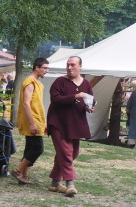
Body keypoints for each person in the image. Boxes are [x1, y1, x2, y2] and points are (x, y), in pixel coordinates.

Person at [46, 56, 95, 197]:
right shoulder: (59, 82)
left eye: (73, 65)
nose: (69, 67)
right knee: (66, 152)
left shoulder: (86, 84)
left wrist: (89, 108)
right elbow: (55, 99)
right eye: (68, 65)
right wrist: (75, 96)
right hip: (58, 123)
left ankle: (55, 182)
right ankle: (70, 184)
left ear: (80, 66)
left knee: (73, 153)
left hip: (75, 124)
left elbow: (89, 100)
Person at [11, 57, 49, 184]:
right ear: (37, 68)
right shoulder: (30, 82)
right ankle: (17, 171)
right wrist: (32, 123)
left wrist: (43, 121)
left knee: (30, 148)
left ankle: (24, 176)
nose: (46, 71)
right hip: (32, 120)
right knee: (38, 148)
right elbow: (26, 104)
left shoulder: (38, 83)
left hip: (37, 119)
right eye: (45, 68)